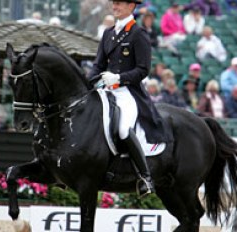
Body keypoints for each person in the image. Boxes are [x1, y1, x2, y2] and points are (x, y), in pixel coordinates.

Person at [88, 0, 168, 197]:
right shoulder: (108, 33)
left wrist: (119, 78)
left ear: (132, 6)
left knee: (123, 128)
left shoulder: (138, 34)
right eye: (114, 3)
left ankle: (145, 177)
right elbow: (98, 65)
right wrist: (88, 83)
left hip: (127, 92)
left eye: (120, 4)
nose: (115, 7)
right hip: (105, 89)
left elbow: (143, 69)